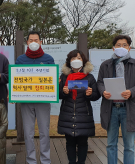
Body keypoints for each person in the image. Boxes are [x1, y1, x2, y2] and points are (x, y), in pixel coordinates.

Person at [15, 31, 54, 164]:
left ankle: (45, 160)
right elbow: (17, 80)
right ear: (27, 42)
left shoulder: (48, 59)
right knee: (28, 133)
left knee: (44, 131)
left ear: (40, 42)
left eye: (36, 40)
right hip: (26, 101)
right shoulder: (20, 59)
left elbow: (52, 79)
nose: (33, 42)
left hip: (43, 100)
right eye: (31, 40)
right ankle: (30, 160)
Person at [97, 35, 135, 164]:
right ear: (113, 48)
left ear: (129, 48)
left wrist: (131, 92)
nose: (121, 47)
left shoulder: (134, 64)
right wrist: (103, 91)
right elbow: (99, 82)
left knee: (129, 146)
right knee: (110, 144)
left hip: (129, 110)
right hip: (111, 109)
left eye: (124, 45)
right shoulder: (105, 65)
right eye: (118, 45)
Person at [58, 49, 100, 164]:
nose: (76, 60)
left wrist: (90, 94)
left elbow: (96, 95)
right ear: (69, 61)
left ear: (83, 60)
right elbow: (58, 95)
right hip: (67, 114)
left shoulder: (89, 77)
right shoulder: (64, 76)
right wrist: (63, 92)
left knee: (83, 142)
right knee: (69, 142)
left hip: (84, 115)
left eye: (79, 58)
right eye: (73, 58)